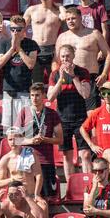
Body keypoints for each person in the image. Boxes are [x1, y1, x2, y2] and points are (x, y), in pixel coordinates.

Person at [56, 7, 110, 114]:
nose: (70, 21)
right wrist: (57, 78)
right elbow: (56, 61)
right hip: (69, 79)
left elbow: (109, 55)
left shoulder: (94, 34)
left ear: (80, 18)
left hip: (90, 78)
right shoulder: (62, 37)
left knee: (91, 114)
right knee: (71, 114)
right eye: (68, 19)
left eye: (73, 18)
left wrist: (104, 74)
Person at [47, 44, 92, 180]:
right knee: (67, 154)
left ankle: (88, 184)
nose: (65, 59)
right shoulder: (55, 74)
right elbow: (50, 97)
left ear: (73, 56)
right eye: (62, 56)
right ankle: (71, 187)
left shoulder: (82, 72)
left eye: (68, 56)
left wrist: (73, 77)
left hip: (80, 118)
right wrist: (61, 79)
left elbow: (85, 94)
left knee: (85, 154)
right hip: (63, 119)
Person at [0, 127, 49, 218]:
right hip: (15, 196)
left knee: (43, 206)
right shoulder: (5, 159)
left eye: (16, 139)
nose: (13, 142)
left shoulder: (30, 154)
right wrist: (12, 179)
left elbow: (39, 175)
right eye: (10, 139)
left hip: (30, 194)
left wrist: (37, 194)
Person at [15, 83, 63, 198]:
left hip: (46, 160)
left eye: (37, 95)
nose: (34, 98)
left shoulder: (52, 114)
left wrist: (44, 139)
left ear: (43, 96)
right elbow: (15, 139)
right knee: (28, 196)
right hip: (28, 161)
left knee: (47, 197)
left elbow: (60, 140)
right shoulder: (24, 112)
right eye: (32, 95)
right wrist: (31, 141)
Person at [0, 15, 39, 130]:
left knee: (25, 126)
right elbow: (0, 64)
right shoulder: (4, 43)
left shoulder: (31, 44)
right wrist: (12, 48)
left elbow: (31, 64)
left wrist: (19, 48)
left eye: (19, 29)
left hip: (25, 90)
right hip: (8, 90)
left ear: (24, 29)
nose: (15, 32)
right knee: (8, 127)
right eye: (12, 29)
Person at [23, 0, 62, 84]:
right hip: (35, 49)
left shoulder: (58, 11)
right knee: (36, 83)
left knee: (54, 82)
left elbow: (65, 18)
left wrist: (61, 7)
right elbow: (20, 27)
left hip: (53, 49)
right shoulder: (32, 10)